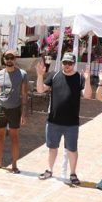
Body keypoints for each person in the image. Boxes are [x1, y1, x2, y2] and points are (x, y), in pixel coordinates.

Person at [35, 52, 93, 184]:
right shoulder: (54, 75)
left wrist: (88, 79)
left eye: (70, 63)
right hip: (54, 121)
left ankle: (73, 173)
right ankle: (49, 170)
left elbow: (88, 95)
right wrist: (40, 76)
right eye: (65, 63)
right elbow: (40, 90)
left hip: (71, 123)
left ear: (74, 64)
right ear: (61, 63)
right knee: (52, 148)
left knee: (72, 149)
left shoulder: (79, 78)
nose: (67, 66)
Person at [0, 49, 29, 173]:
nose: (9, 60)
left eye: (12, 57)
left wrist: (23, 113)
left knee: (14, 137)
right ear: (4, 59)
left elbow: (24, 94)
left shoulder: (22, 74)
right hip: (1, 108)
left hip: (15, 109)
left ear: (15, 59)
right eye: (7, 57)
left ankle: (14, 164)